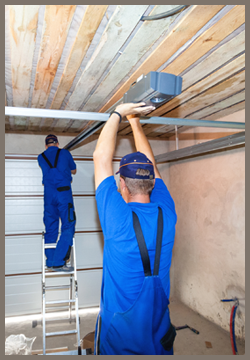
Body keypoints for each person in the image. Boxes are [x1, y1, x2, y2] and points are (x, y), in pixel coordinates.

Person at [93, 103, 177, 355]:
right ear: (152, 182)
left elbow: (99, 157)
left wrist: (119, 111)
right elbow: (149, 164)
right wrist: (134, 122)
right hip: (158, 327)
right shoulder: (167, 212)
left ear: (122, 184)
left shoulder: (117, 219)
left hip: (120, 336)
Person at [37, 134, 77, 271]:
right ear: (57, 143)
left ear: (46, 145)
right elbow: (74, 169)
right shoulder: (65, 153)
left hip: (49, 196)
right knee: (68, 224)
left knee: (51, 226)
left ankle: (50, 261)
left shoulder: (40, 157)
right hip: (63, 194)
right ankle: (59, 261)